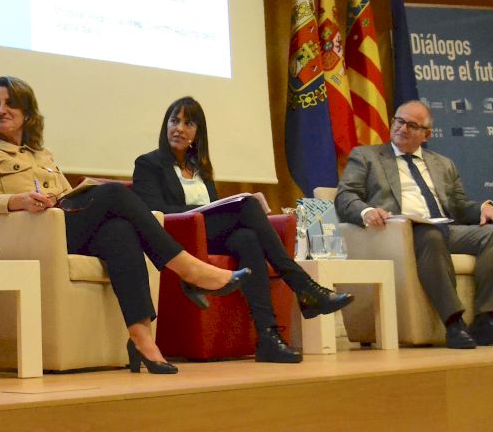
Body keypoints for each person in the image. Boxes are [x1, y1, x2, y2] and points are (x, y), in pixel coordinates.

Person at [0, 76, 249, 375]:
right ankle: (188, 269)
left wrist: (66, 195)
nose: (1, 110)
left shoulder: (43, 155)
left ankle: (141, 339)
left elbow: (65, 195)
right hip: (30, 234)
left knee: (120, 232)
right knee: (113, 193)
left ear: (28, 113)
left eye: (10, 104)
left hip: (59, 225)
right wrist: (17, 200)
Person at [132, 96, 354, 363]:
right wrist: (205, 212)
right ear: (165, 125)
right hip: (176, 239)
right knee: (247, 206)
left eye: (188, 123)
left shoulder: (200, 169)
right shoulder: (148, 164)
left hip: (206, 236)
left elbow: (212, 208)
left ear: (197, 133)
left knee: (248, 238)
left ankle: (268, 337)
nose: (179, 128)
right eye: (174, 121)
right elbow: (155, 211)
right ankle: (304, 287)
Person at [335, 100, 493, 348]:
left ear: (426, 135)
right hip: (400, 234)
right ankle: (454, 323)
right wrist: (367, 211)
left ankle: (487, 321)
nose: (402, 128)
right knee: (431, 236)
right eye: (399, 121)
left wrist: (484, 207)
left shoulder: (442, 163)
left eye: (412, 125)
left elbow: (459, 205)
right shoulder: (367, 156)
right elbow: (345, 196)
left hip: (444, 227)